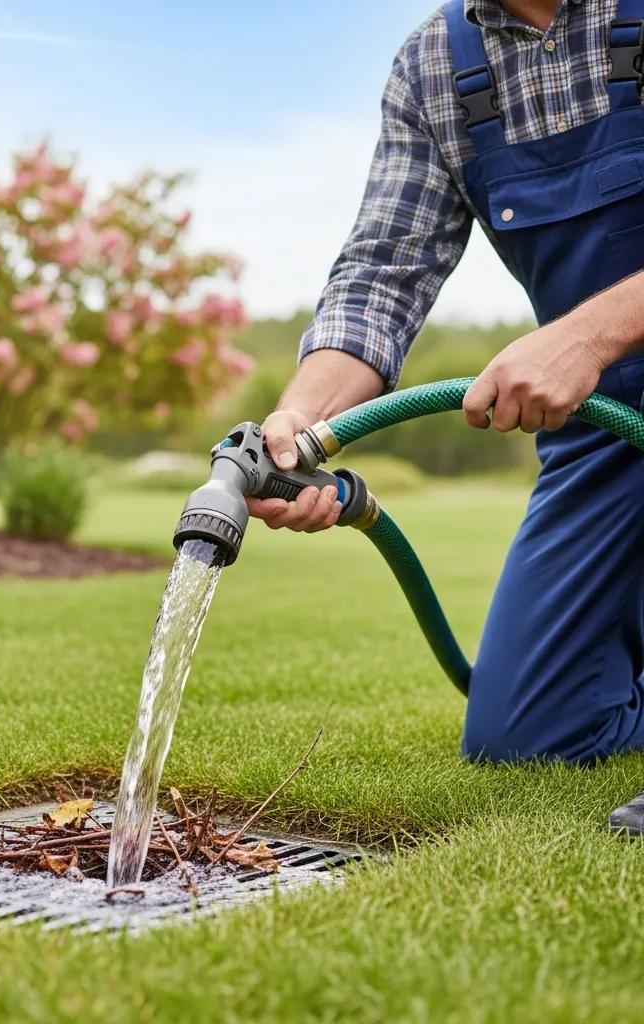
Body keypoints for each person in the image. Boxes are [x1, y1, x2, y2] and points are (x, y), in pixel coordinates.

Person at [251, 0, 644, 832]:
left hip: (596, 363)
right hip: (606, 421)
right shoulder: (435, 63)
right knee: (527, 736)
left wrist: (587, 334)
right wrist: (298, 427)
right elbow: (381, 278)